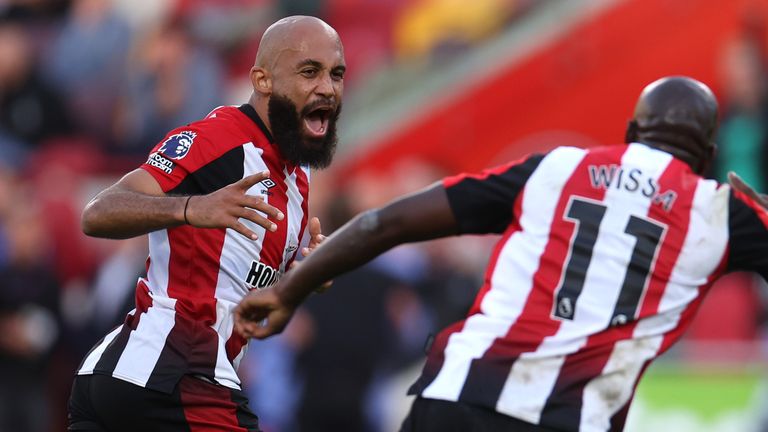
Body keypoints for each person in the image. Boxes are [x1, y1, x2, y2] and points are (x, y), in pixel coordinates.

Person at [234, 76, 768, 432]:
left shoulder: (555, 168)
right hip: (562, 418)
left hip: (456, 397)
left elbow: (386, 222)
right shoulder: (720, 213)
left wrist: (288, 290)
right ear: (709, 158)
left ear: (629, 134)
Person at [67, 15, 345, 432]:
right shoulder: (221, 140)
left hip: (133, 378)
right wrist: (190, 208)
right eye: (310, 71)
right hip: (173, 375)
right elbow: (99, 212)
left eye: (336, 74)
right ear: (262, 80)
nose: (327, 87)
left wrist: (302, 277)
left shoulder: (298, 185)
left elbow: (244, 294)